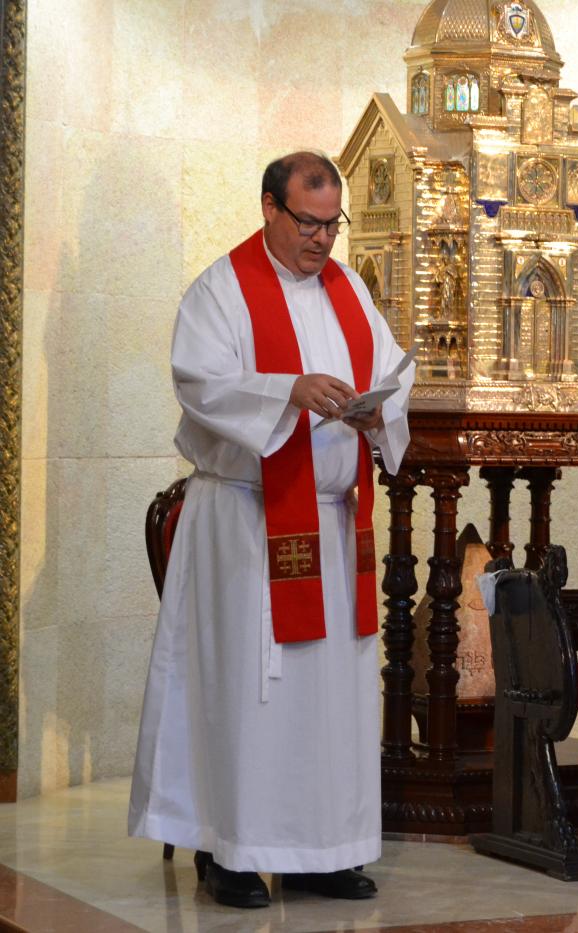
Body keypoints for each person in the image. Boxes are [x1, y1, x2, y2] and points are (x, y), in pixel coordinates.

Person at [128, 152, 414, 908]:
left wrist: (378, 404)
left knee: (330, 697)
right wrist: (287, 390)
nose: (323, 239)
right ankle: (230, 848)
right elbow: (199, 381)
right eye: (309, 222)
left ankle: (323, 848)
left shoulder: (349, 290)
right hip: (248, 526)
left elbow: (393, 366)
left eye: (332, 224)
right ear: (269, 209)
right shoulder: (221, 292)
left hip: (333, 523)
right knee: (251, 690)